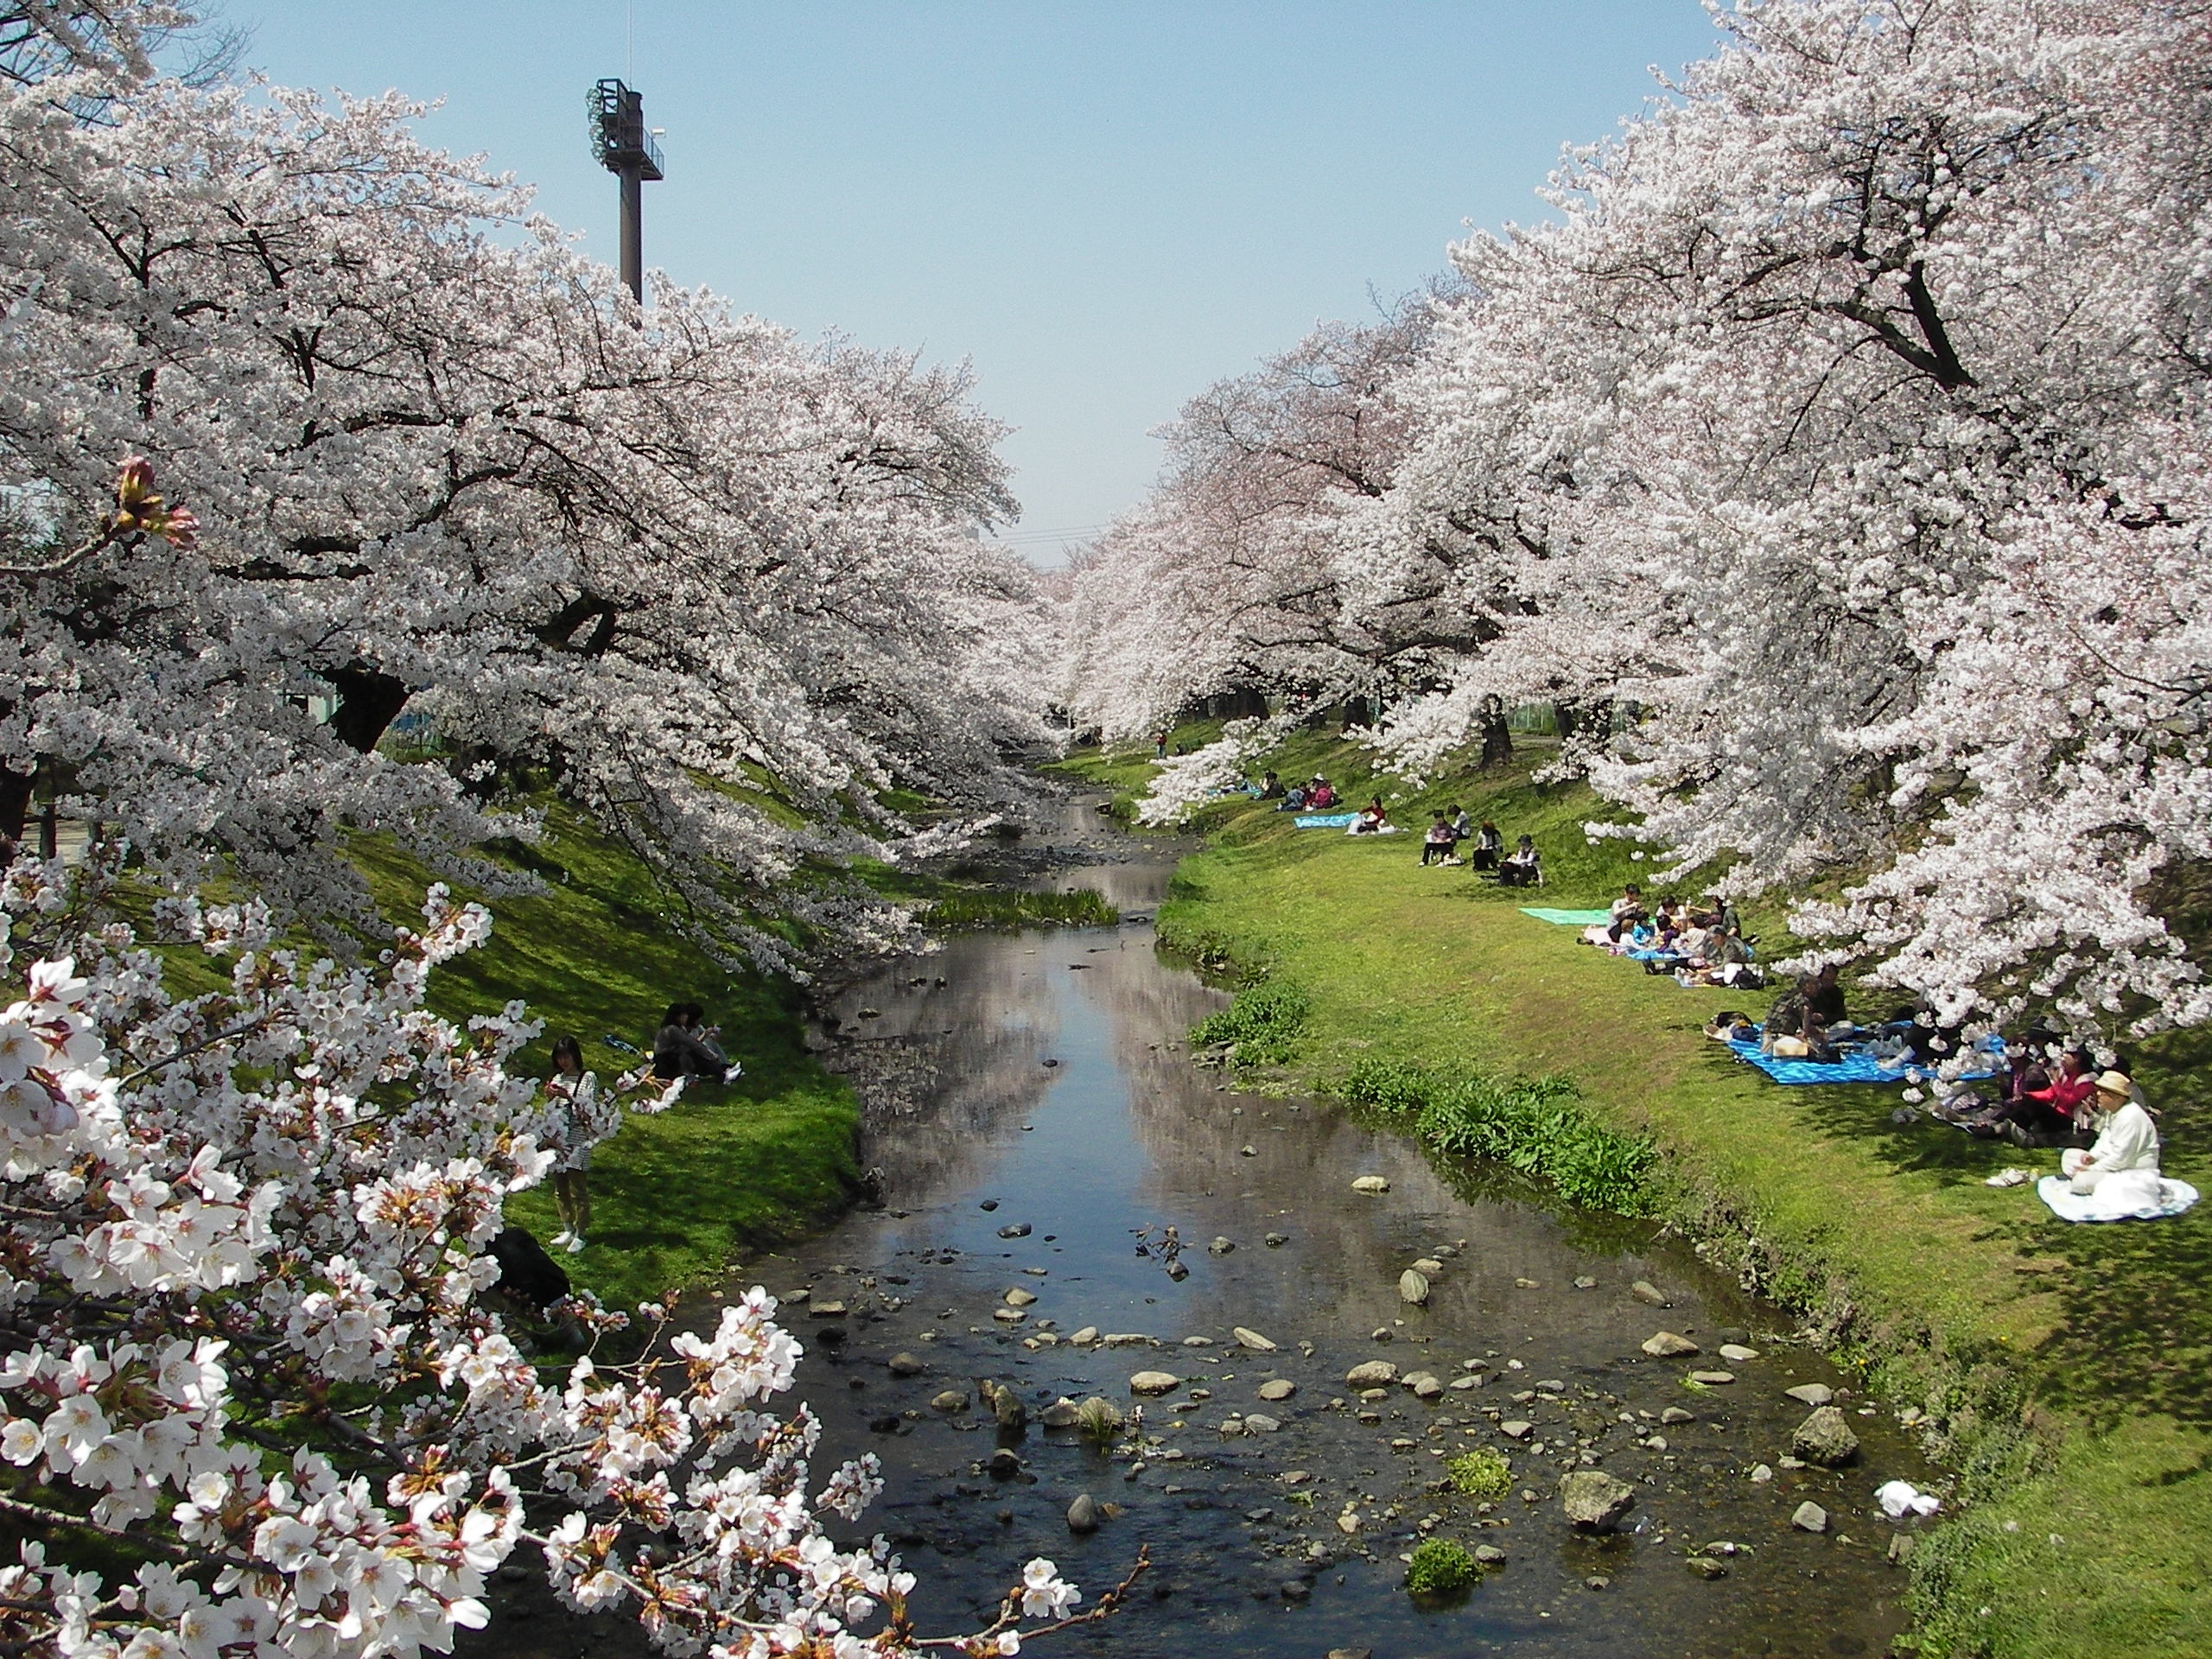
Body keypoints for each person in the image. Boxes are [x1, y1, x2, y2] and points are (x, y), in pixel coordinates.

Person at [544, 1036, 618, 1254]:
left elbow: (588, 1111)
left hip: (578, 1139)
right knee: (560, 1187)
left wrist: (567, 1095)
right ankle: (567, 1226)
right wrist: (550, 1097)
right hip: (558, 1138)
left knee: (578, 1189)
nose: (563, 1061)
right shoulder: (558, 1077)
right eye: (559, 1057)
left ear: (575, 1055)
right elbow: (552, 1110)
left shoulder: (587, 1078)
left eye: (566, 1056)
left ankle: (580, 1233)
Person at [2062, 1071, 2160, 1197]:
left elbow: (2121, 1158)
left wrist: (2091, 1169)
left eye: (2103, 1092)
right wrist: (2092, 1156)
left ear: (2118, 1096)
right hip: (2114, 1164)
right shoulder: (2112, 1112)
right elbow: (2104, 1141)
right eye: (2099, 1090)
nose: (2098, 1094)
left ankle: (2090, 1179)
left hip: (2134, 1173)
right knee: (2069, 1155)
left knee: (2080, 1182)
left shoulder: (2130, 1118)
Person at [653, 1002, 736, 1083]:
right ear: (679, 1016)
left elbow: (692, 1042)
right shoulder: (672, 1030)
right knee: (693, 1054)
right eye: (685, 1015)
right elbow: (691, 1044)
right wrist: (710, 1056)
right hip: (666, 1061)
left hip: (674, 1057)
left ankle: (722, 1069)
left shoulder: (679, 1028)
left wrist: (709, 1054)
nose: (686, 1018)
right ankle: (722, 1073)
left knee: (695, 1053)